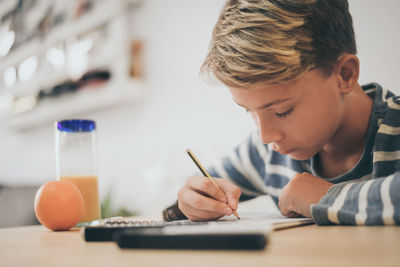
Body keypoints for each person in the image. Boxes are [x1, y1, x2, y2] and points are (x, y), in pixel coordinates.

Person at [168, 0, 400, 225]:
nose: (266, 137)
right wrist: (195, 199)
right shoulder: (265, 154)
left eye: (282, 111)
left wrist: (327, 198)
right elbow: (194, 189)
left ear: (345, 74)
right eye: (249, 111)